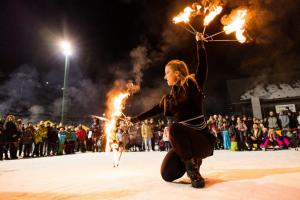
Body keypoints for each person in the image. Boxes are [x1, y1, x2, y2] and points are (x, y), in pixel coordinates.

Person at [130, 32, 215, 188]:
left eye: (166, 72)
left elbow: (202, 67)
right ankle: (191, 160)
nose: (164, 77)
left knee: (174, 127)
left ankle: (193, 171)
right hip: (184, 143)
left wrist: (200, 45)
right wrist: (135, 119)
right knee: (167, 174)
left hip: (202, 142)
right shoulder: (169, 98)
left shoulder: (193, 83)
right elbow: (155, 109)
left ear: (177, 73)